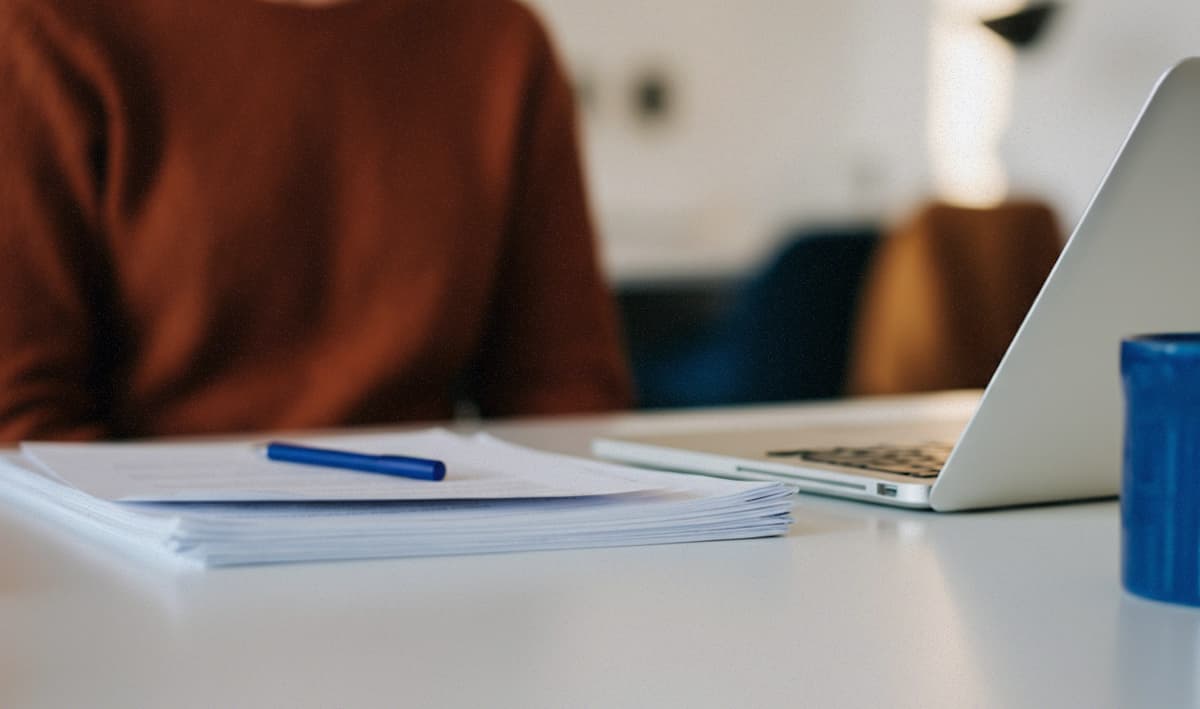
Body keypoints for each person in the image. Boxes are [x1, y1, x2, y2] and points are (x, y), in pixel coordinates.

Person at [0, 0, 632, 441]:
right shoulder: (49, 28)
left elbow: (565, 392)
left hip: (427, 540)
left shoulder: (500, 40)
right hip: (137, 555)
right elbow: (21, 415)